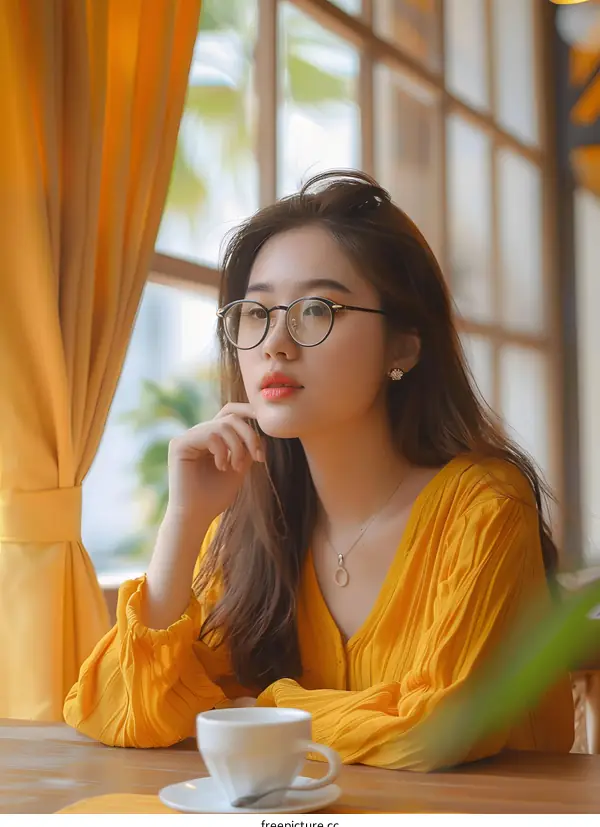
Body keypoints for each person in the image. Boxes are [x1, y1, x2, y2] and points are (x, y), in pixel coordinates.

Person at [64, 170, 574, 769]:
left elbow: (437, 729)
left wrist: (259, 707)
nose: (276, 342)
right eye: (256, 313)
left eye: (317, 309)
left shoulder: (484, 508)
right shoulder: (249, 522)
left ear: (402, 347)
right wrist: (184, 519)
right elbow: (122, 714)